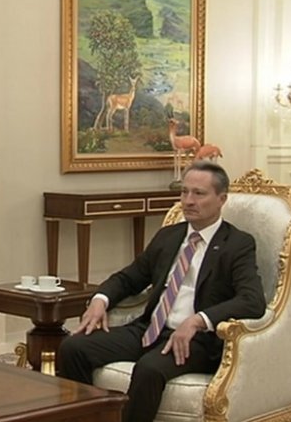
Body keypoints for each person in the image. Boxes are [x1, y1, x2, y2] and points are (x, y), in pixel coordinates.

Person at [57, 161, 266, 422]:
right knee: (73, 347)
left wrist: (199, 320)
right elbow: (129, 277)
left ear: (221, 199)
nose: (188, 201)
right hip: (151, 328)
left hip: (197, 341)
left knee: (149, 369)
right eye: (184, 192)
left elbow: (252, 301)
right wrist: (101, 299)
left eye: (199, 193)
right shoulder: (169, 236)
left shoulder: (237, 244)